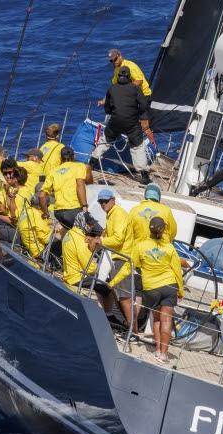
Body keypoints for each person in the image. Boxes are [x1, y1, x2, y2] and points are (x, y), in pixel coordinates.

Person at [131, 217, 184, 363]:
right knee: (166, 320)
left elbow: (133, 264)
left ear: (149, 229)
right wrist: (180, 290)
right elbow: (177, 271)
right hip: (169, 285)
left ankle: (158, 350)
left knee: (156, 319)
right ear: (163, 230)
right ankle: (164, 354)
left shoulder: (140, 245)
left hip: (151, 287)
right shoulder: (169, 248)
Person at [91, 189, 139, 326]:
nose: (102, 204)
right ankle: (114, 319)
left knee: (125, 298)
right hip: (116, 256)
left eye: (105, 201)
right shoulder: (111, 214)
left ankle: (133, 332)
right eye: (100, 201)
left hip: (122, 258)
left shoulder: (118, 214)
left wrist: (101, 241)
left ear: (113, 200)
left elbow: (118, 239)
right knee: (113, 292)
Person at [99, 65, 152, 184]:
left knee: (106, 139)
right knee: (137, 146)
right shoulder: (135, 88)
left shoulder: (112, 88)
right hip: (131, 122)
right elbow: (143, 105)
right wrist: (137, 114)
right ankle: (144, 174)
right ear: (129, 77)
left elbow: (107, 106)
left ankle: (93, 160)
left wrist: (111, 112)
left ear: (118, 76)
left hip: (115, 121)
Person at [39, 146, 90, 227]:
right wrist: (84, 206)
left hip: (58, 213)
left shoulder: (53, 171)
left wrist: (46, 213)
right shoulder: (79, 166)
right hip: (74, 210)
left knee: (66, 231)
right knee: (96, 230)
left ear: (60, 158)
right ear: (74, 156)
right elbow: (80, 184)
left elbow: (41, 196)